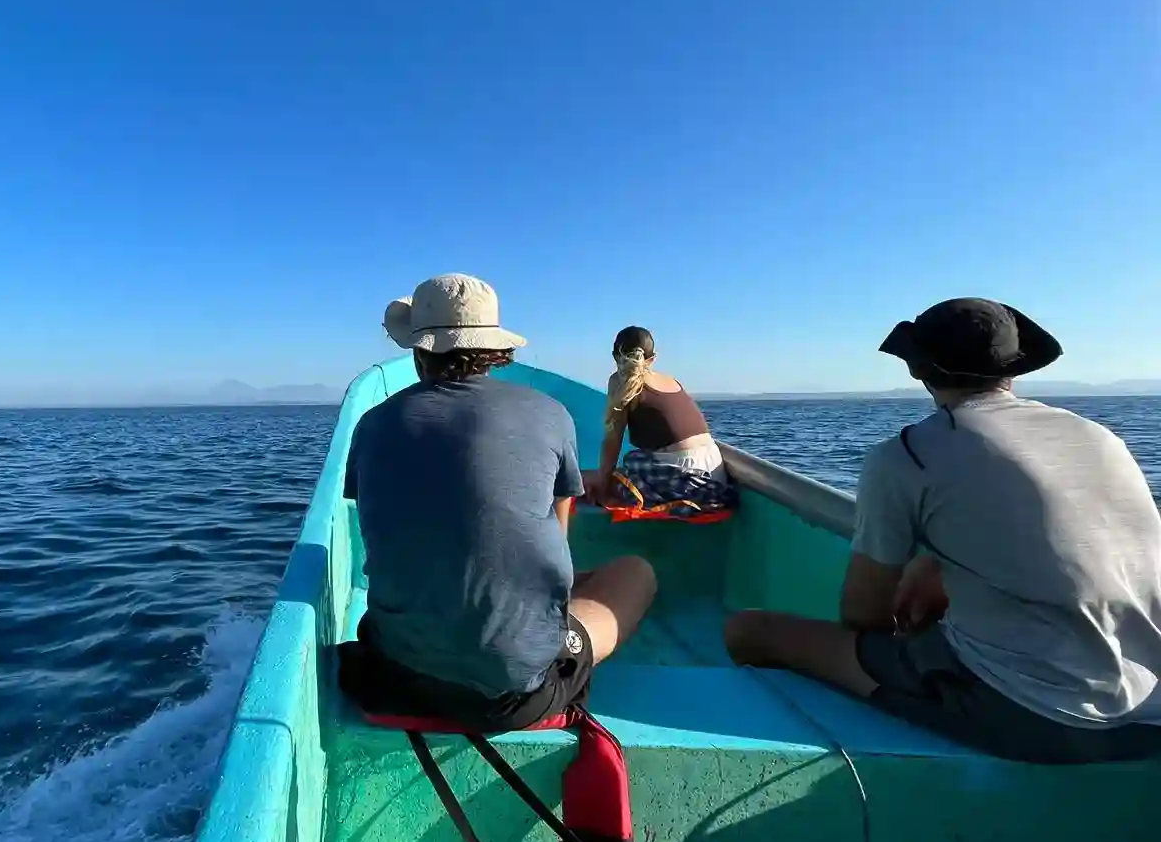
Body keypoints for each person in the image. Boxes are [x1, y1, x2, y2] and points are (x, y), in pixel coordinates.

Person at [724, 298, 1161, 764]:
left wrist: (905, 633)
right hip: (1150, 709)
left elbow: (863, 613)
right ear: (1013, 369)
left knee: (749, 630)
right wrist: (934, 568)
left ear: (920, 370)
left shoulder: (909, 456)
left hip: (1051, 716)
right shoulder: (1100, 437)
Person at [338, 273, 658, 731]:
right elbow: (556, 541)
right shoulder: (550, 415)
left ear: (419, 349)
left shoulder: (371, 425)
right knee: (636, 573)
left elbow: (382, 526)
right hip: (515, 693)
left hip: (392, 676)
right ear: (493, 348)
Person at [583, 326, 736, 516]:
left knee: (613, 474)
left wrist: (602, 481)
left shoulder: (618, 381)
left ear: (615, 356)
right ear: (653, 358)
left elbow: (613, 441)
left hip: (686, 475)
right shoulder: (673, 380)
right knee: (633, 465)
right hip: (715, 474)